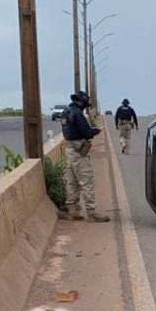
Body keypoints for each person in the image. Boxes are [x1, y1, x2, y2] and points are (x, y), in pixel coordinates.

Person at [60, 91, 109, 222]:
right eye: (85, 104)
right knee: (87, 181)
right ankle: (91, 213)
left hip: (69, 149)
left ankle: (72, 210)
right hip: (78, 151)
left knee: (72, 182)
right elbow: (86, 132)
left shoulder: (66, 112)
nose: (85, 106)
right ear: (80, 101)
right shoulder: (77, 113)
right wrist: (97, 131)